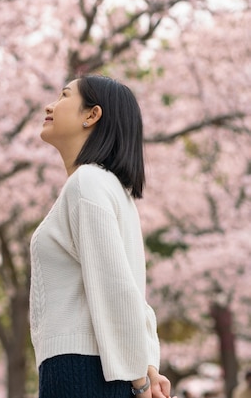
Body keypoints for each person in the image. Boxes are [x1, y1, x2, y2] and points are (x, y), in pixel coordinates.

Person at [29, 75, 176, 398]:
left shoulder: (88, 183)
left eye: (64, 96)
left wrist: (139, 380)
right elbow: (129, 291)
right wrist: (146, 366)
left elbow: (116, 288)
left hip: (82, 371)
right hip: (97, 367)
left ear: (91, 115)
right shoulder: (108, 188)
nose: (49, 105)